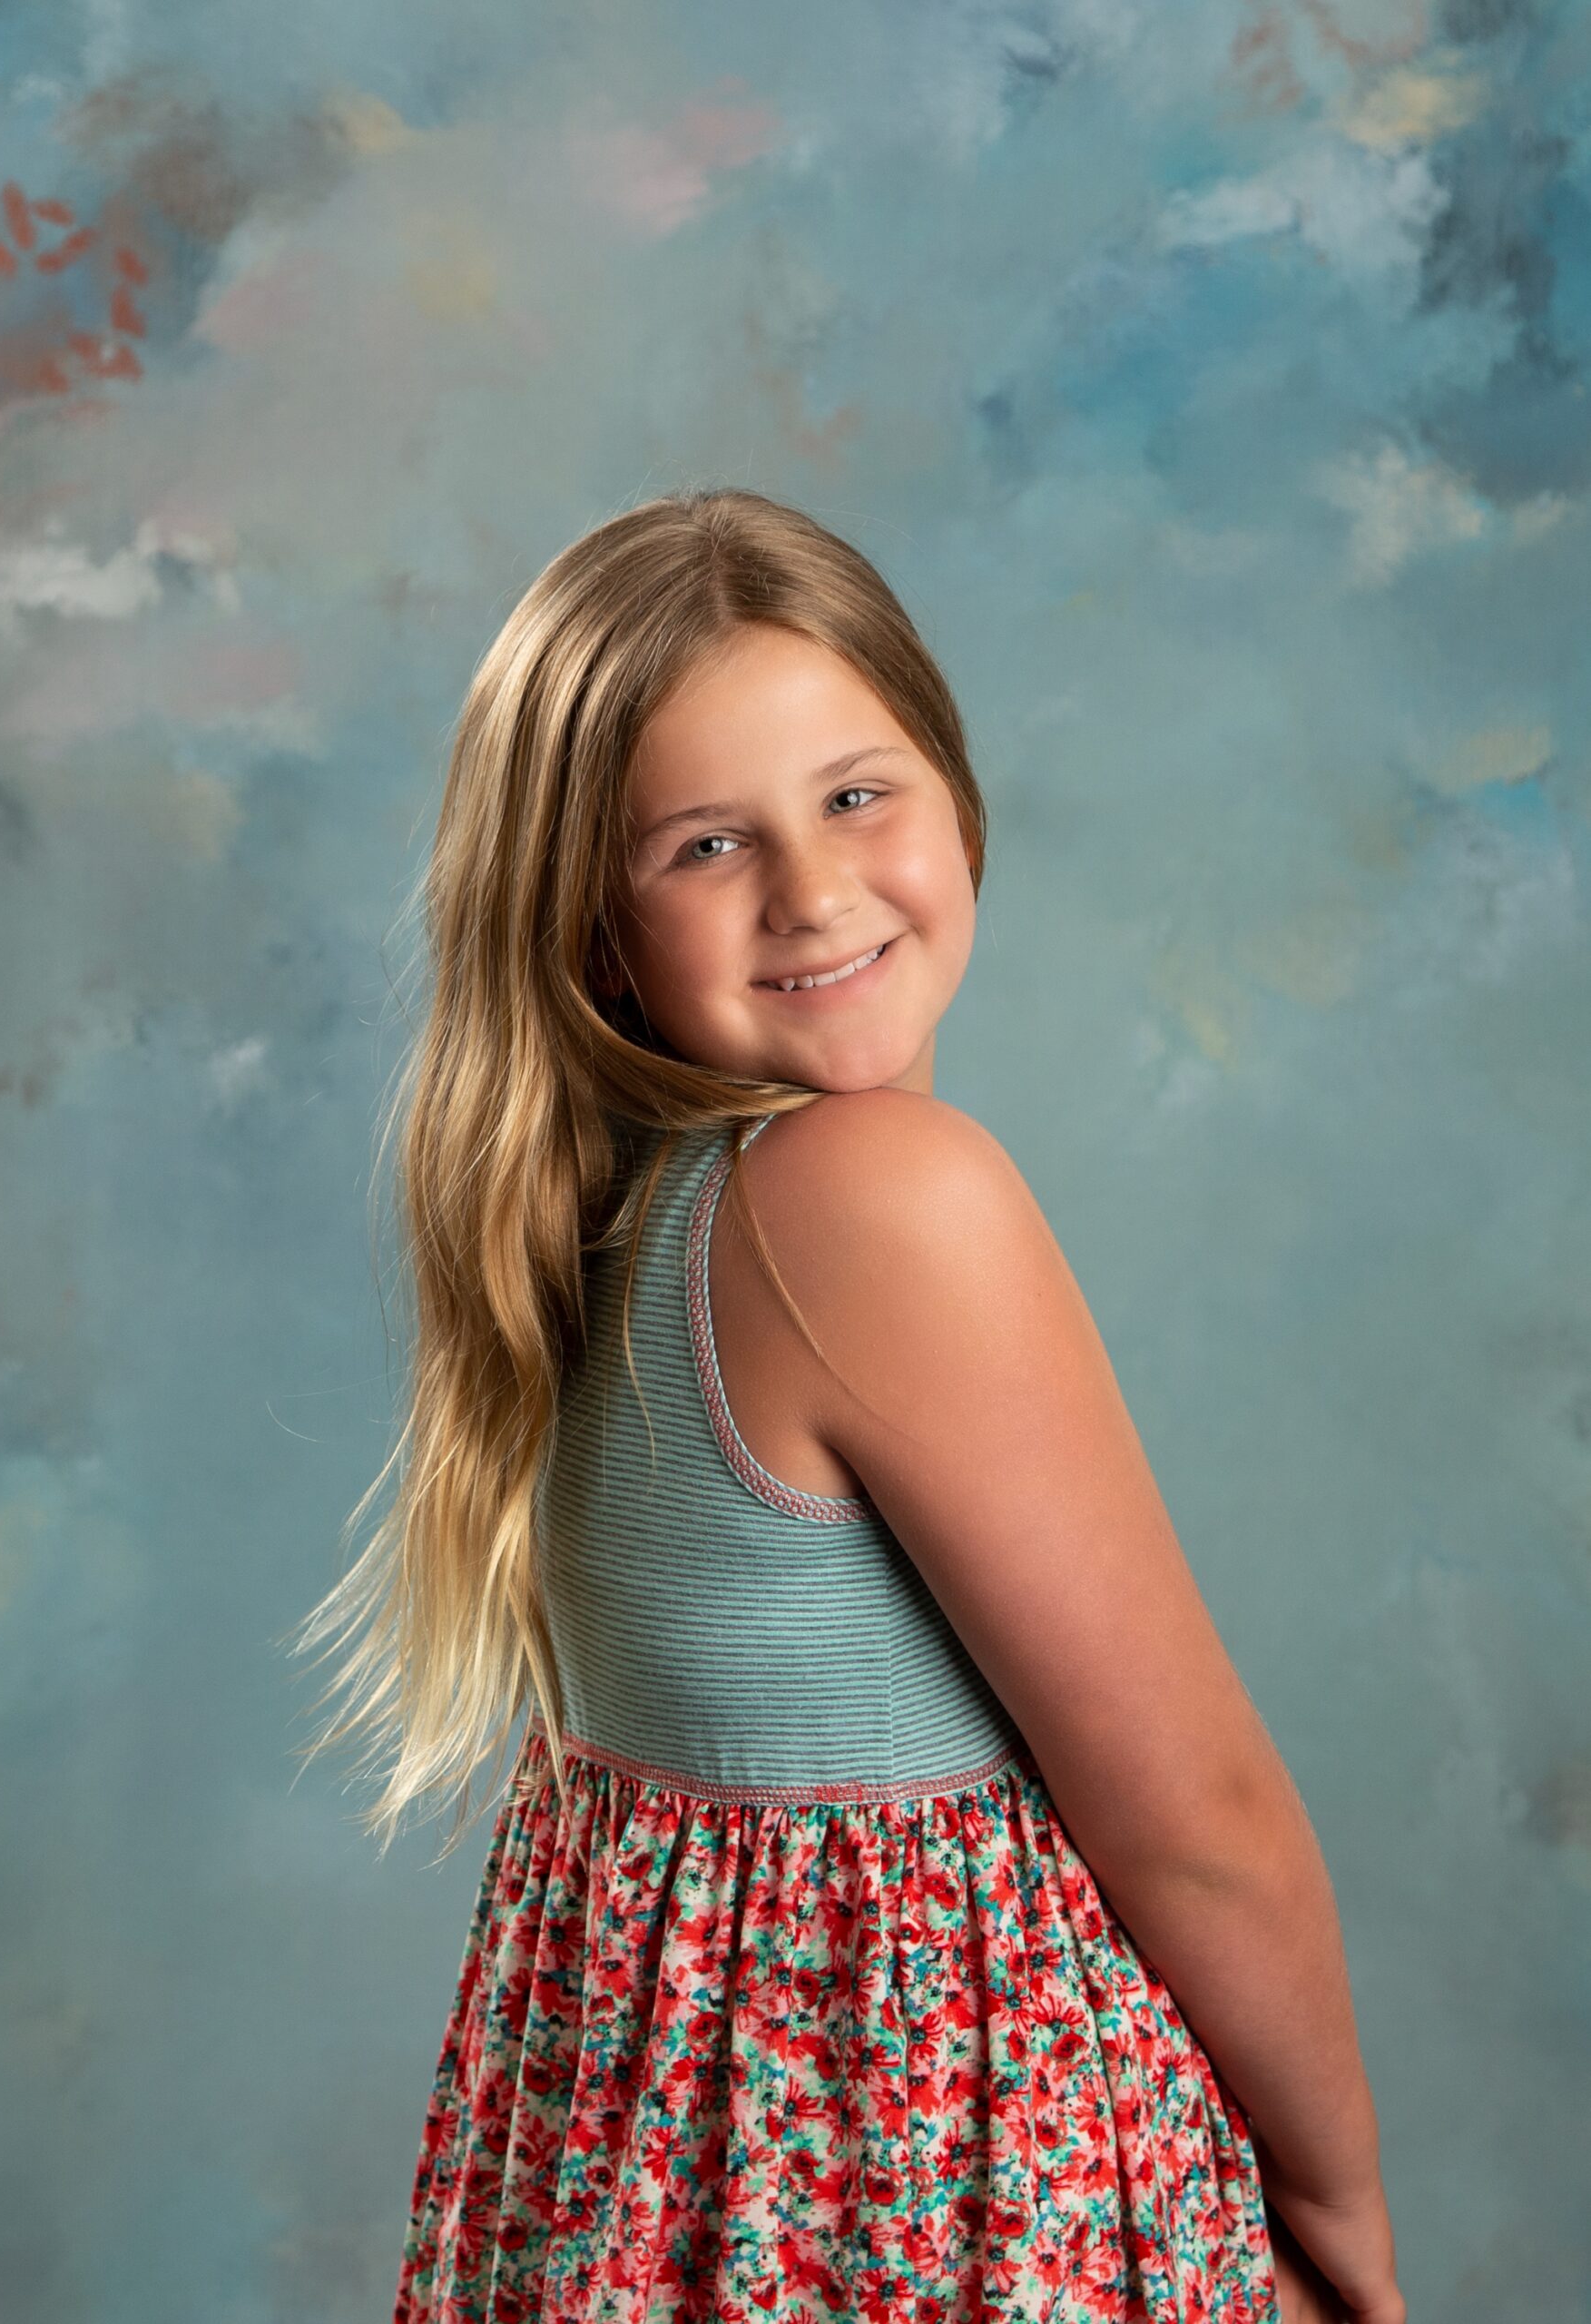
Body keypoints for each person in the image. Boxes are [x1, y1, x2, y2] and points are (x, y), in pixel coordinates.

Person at [289, 487, 1404, 2322]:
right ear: (595, 932)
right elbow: (1196, 1818)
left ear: (956, 795)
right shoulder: (873, 1197)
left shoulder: (599, 1215)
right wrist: (1338, 2209)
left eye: (857, 794)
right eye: (707, 842)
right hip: (936, 2210)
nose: (811, 890)